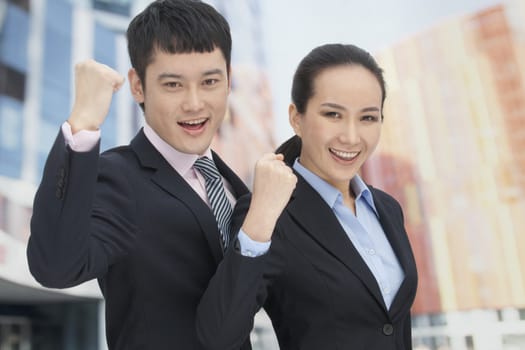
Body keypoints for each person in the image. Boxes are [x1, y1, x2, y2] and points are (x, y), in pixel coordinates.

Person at [26, 0, 266, 348]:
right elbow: (55, 266)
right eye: (173, 85)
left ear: (228, 79)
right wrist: (83, 123)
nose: (195, 103)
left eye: (210, 81)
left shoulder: (235, 189)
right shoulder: (119, 178)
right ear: (137, 86)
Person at [196, 43, 418, 350]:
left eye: (368, 118)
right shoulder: (270, 212)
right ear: (296, 118)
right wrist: (261, 215)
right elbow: (218, 336)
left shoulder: (387, 209)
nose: (351, 137)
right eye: (333, 114)